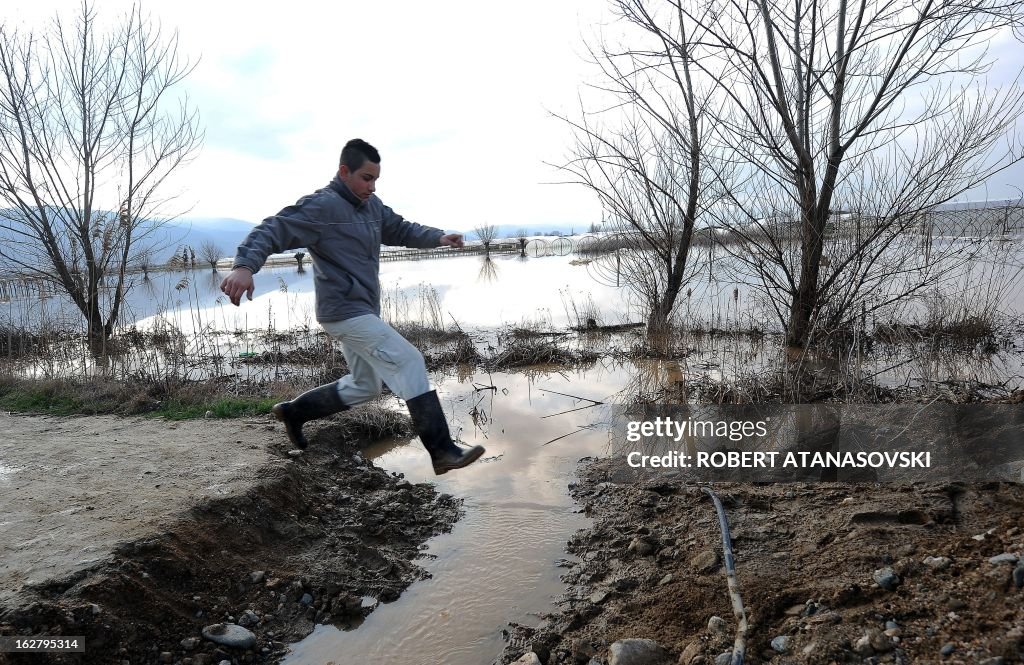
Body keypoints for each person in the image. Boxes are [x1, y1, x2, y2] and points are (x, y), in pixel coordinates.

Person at [220, 138, 485, 474]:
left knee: (366, 385)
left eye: (376, 179)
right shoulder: (321, 207)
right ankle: (442, 450)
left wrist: (437, 236)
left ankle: (294, 412)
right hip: (344, 311)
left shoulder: (371, 208)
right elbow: (273, 229)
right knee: (409, 361)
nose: (372, 186)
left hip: (362, 310)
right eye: (366, 178)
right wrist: (244, 266)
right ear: (344, 171)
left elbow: (401, 228)